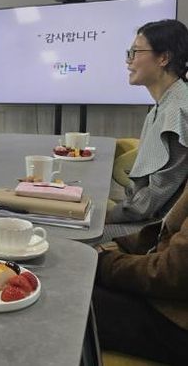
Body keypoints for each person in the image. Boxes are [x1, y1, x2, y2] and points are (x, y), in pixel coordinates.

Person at [93, 181, 188, 364]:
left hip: (177, 324)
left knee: (72, 300)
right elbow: (166, 233)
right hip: (169, 291)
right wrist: (123, 245)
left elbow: (172, 273)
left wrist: (105, 263)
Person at [107, 19, 188, 223]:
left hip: (159, 228)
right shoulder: (166, 103)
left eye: (135, 52)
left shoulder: (178, 112)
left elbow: (150, 202)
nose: (128, 61)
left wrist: (105, 217)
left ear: (163, 58)